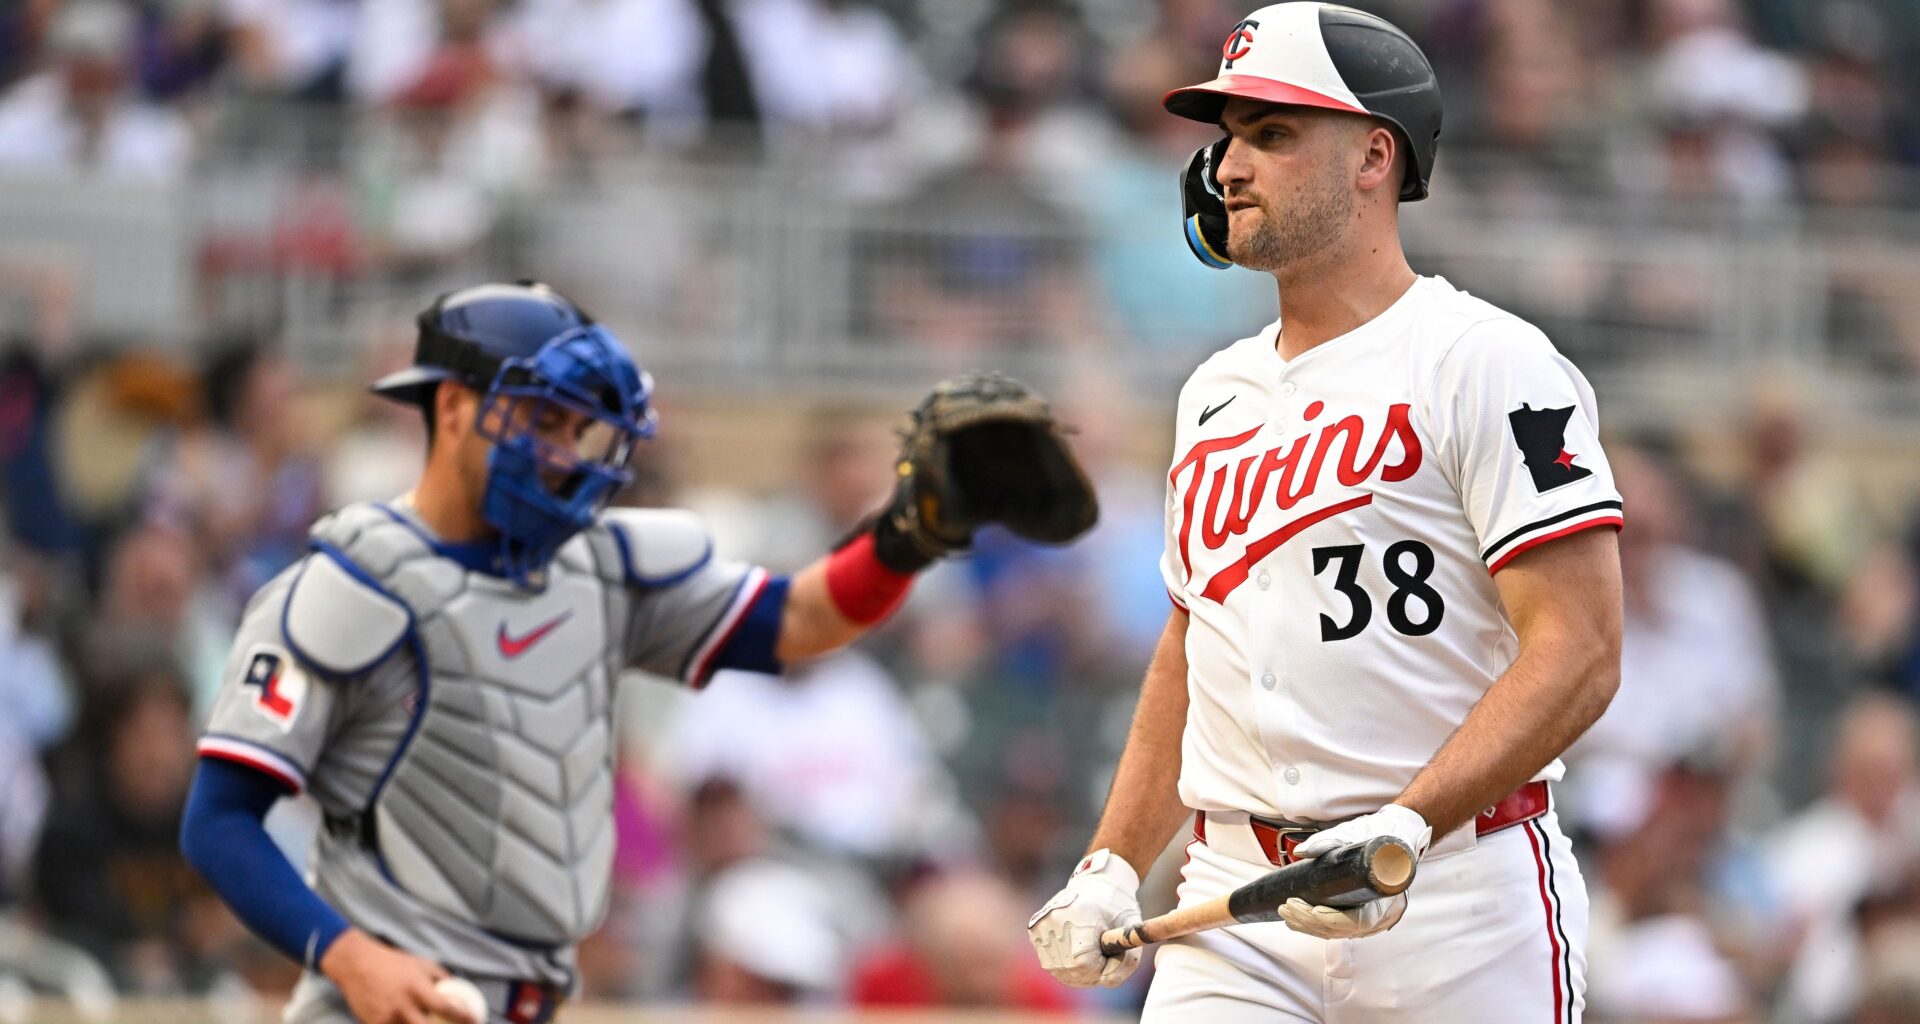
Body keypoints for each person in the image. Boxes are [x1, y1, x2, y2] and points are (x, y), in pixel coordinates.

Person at [179, 281, 1093, 1024]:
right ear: (453, 407)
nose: (562, 452)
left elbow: (802, 620)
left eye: (572, 428)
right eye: (539, 420)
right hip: (379, 1006)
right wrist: (347, 956)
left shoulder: (598, 567)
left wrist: (910, 531)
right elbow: (219, 821)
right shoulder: (346, 585)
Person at [1025, 5, 1625, 1021]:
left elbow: (1582, 648)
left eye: (1272, 133)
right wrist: (1113, 863)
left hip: (1455, 898)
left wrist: (1408, 821)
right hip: (1236, 903)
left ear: (1374, 157)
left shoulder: (1485, 359)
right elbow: (1193, 644)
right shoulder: (1213, 391)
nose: (1229, 167)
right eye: (1229, 137)